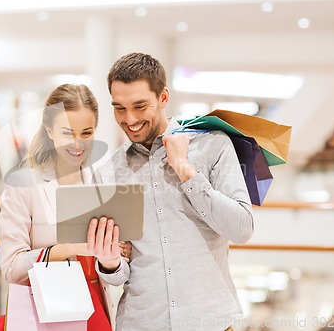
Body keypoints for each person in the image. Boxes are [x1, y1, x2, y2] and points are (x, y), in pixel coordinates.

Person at [86, 53, 255, 331]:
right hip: (141, 322)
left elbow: (242, 229)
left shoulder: (213, 146)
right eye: (119, 108)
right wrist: (108, 261)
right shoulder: (107, 173)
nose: (130, 119)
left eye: (140, 106)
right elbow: (117, 276)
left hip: (209, 321)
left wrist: (185, 169)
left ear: (163, 97)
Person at [0, 84, 129, 330]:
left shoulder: (102, 181)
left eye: (87, 133)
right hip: (48, 314)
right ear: (49, 130)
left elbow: (115, 272)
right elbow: (12, 268)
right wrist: (68, 248)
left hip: (96, 311)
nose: (78, 144)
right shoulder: (24, 184)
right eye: (68, 133)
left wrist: (111, 257)